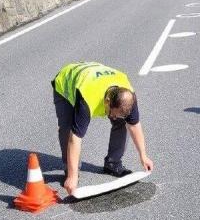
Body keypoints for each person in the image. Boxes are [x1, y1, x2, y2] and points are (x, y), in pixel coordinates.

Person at [51, 62, 154, 196]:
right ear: (107, 101)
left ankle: (113, 163)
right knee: (68, 129)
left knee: (121, 122)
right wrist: (72, 176)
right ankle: (71, 170)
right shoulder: (87, 98)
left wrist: (143, 156)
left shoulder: (129, 96)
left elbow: (134, 125)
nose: (114, 117)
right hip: (66, 81)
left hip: (94, 76)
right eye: (112, 113)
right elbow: (75, 138)